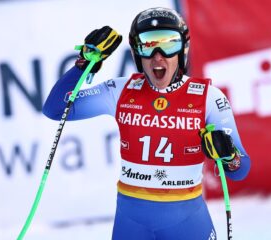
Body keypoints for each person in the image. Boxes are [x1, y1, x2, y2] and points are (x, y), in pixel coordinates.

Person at [43, 7, 251, 240]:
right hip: (131, 225)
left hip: (188, 223)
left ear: (183, 49)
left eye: (169, 44)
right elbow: (55, 109)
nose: (158, 56)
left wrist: (228, 156)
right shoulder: (120, 91)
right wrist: (84, 63)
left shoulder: (209, 98)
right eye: (148, 45)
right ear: (136, 53)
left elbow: (240, 170)